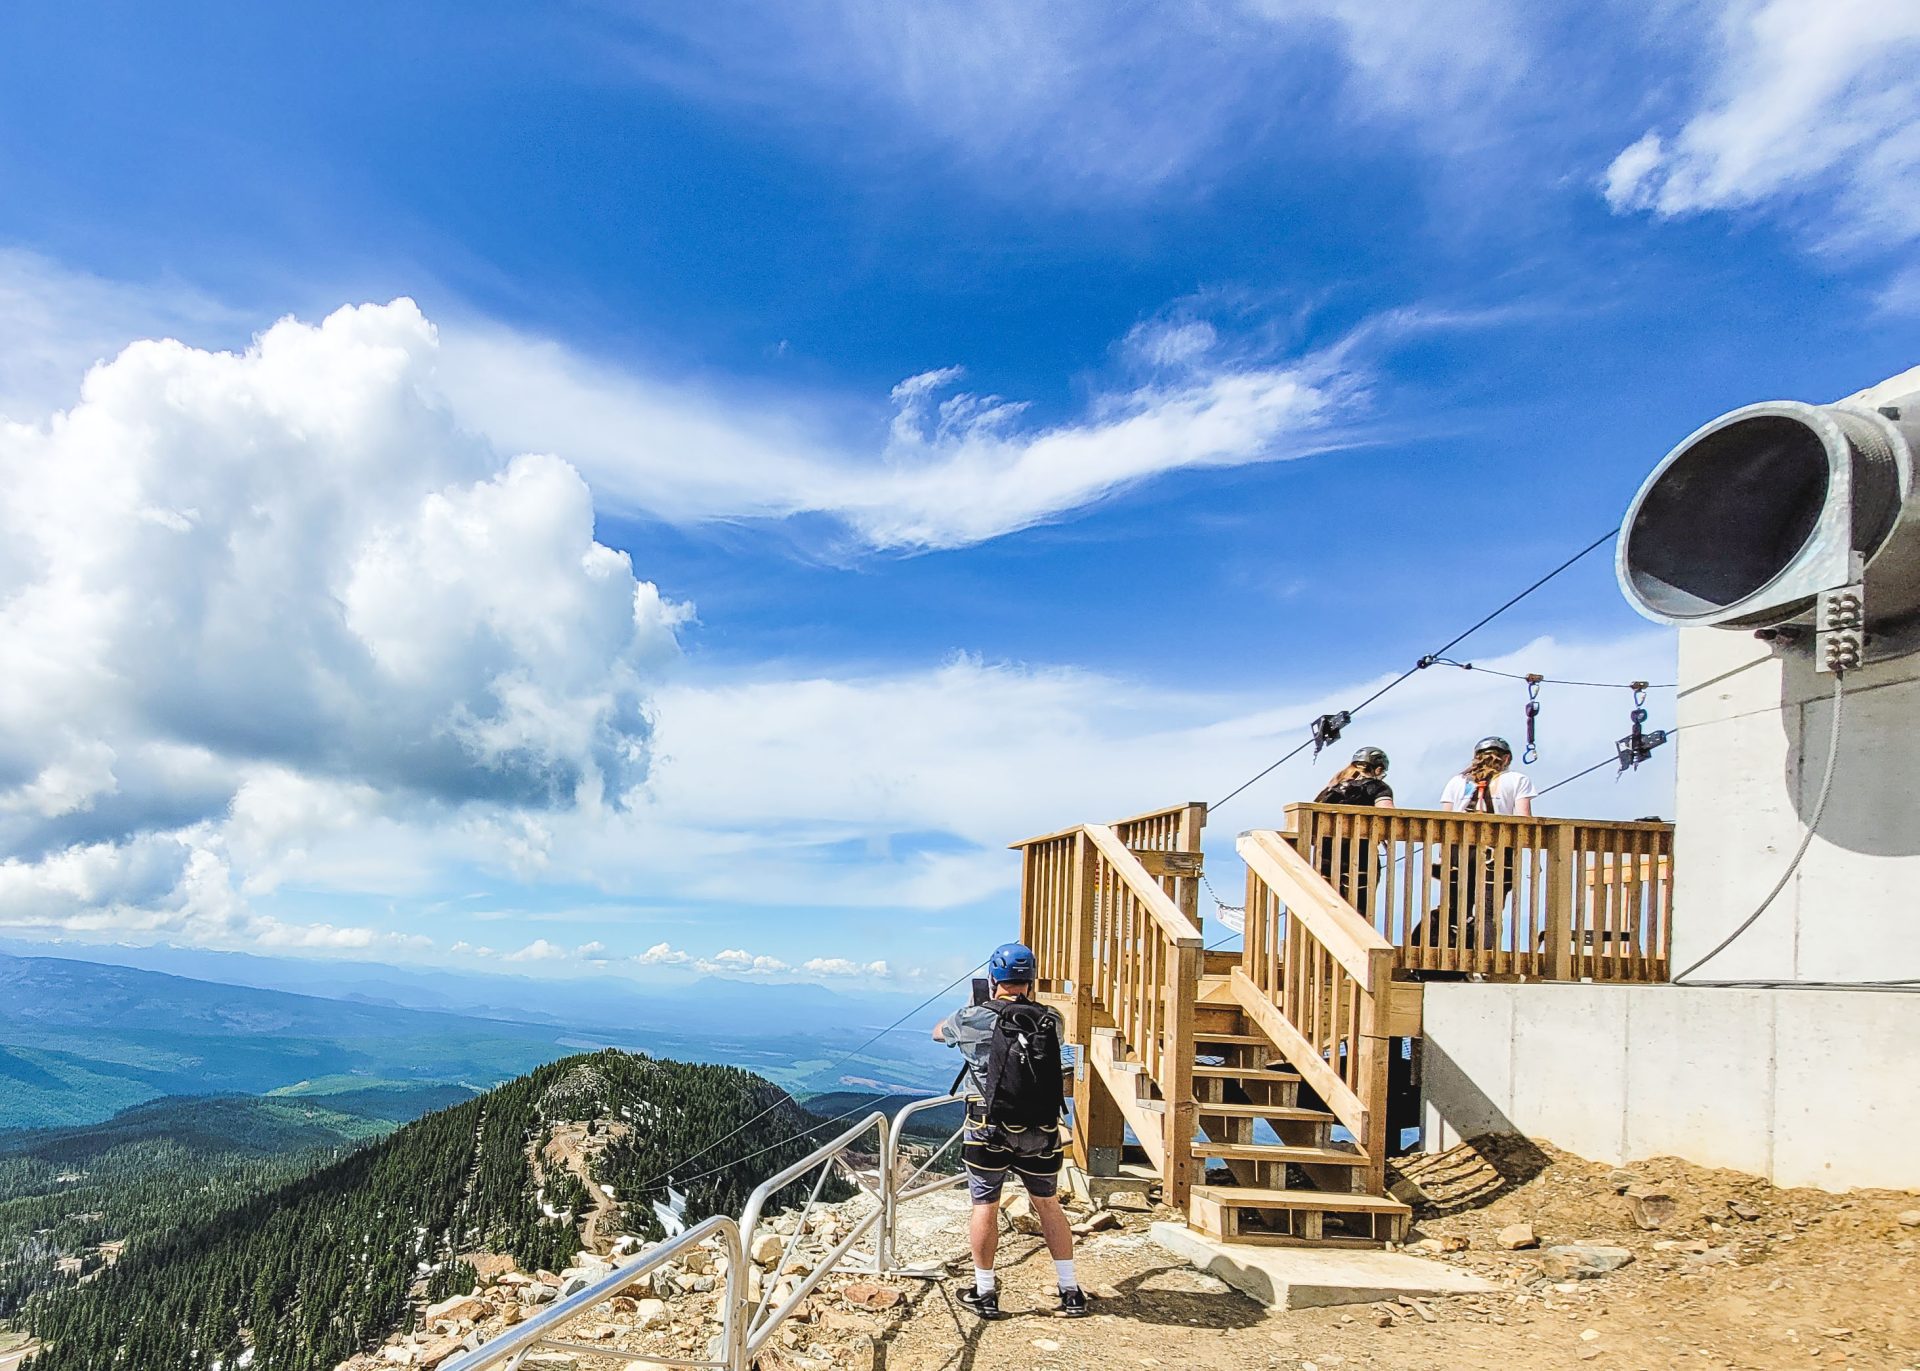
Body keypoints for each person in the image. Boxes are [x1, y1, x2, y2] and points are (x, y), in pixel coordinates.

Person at [932, 942, 1085, 1320]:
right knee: (1048, 1205)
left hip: (988, 1130)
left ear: (992, 979)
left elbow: (938, 1032)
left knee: (985, 1205)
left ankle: (985, 1292)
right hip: (1042, 1131)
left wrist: (974, 1004)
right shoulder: (1052, 1020)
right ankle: (1070, 1290)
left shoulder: (971, 1018)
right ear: (1031, 979)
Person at [1427, 736, 1535, 953]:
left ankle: (1452, 957)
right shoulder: (1517, 779)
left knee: (1456, 906)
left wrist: (1443, 854)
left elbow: (1444, 820)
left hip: (1458, 849)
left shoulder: (1457, 782)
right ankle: (1484, 962)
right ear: (1506, 759)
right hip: (1497, 850)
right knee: (1489, 910)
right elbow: (1525, 820)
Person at [1312, 746, 1394, 912]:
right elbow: (1388, 813)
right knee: (1358, 912)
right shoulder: (1378, 787)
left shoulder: (1332, 789)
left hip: (1326, 858)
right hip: (1360, 859)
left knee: (1327, 911)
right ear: (1378, 769)